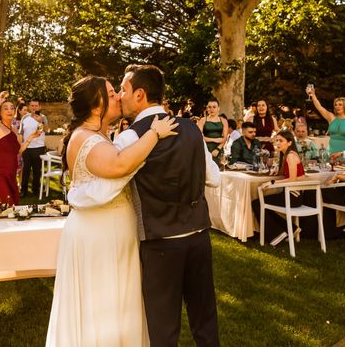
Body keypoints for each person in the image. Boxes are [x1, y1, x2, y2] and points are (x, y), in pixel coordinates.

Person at [46, 75, 178, 346]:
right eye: (111, 92)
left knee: (116, 302)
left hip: (109, 231)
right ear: (97, 107)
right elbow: (119, 165)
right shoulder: (87, 139)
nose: (119, 95)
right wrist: (154, 133)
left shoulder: (96, 135)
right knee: (104, 302)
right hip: (100, 236)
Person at [116, 64, 221, 346]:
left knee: (163, 329)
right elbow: (214, 178)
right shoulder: (191, 128)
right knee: (205, 321)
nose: (119, 96)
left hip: (159, 242)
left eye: (123, 89)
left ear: (140, 94)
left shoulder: (128, 138)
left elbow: (115, 189)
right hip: (199, 237)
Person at [251, 130, 305, 246]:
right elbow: (284, 174)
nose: (278, 143)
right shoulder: (286, 154)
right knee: (262, 204)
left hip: (294, 196)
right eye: (276, 141)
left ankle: (276, 235)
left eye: (281, 141)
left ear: (290, 143)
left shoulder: (291, 156)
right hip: (291, 194)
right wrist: (276, 171)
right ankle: (291, 229)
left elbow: (292, 179)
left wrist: (271, 182)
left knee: (257, 203)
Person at [0, 92, 20, 205]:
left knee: (14, 205)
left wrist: (31, 137)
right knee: (6, 204)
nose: (9, 110)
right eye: (5, 108)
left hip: (11, 172)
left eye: (12, 108)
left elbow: (18, 151)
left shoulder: (15, 129)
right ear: (0, 112)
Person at [306, 86, 345, 154]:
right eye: (336, 105)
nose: (337, 106)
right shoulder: (331, 117)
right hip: (331, 151)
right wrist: (313, 95)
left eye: (340, 105)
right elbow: (319, 107)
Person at [19, 99, 47, 197]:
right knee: (26, 169)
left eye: (36, 106)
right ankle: (23, 190)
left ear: (39, 107)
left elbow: (46, 130)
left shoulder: (43, 117)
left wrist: (40, 122)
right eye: (32, 106)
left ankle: (35, 189)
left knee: (37, 170)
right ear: (29, 107)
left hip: (39, 147)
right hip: (27, 147)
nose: (34, 107)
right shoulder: (25, 118)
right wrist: (21, 144)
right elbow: (21, 132)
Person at [196, 98, 228, 164]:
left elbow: (225, 138)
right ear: (207, 108)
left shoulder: (223, 121)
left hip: (219, 149)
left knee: (219, 171)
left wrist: (218, 149)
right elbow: (198, 136)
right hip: (205, 149)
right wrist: (215, 140)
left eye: (214, 107)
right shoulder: (202, 120)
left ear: (218, 108)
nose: (211, 109)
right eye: (209, 107)